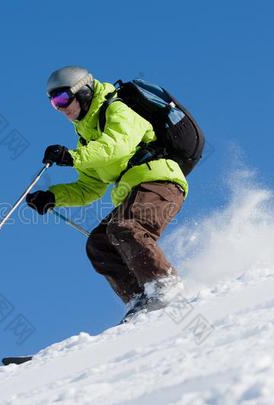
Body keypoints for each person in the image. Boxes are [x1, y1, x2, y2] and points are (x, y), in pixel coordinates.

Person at [26, 66, 189, 321]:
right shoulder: (86, 137)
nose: (61, 107)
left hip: (160, 182)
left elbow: (116, 145)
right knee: (99, 243)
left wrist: (73, 157)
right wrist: (53, 196)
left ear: (83, 91)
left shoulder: (117, 109)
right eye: (54, 103)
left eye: (63, 98)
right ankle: (141, 301)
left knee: (125, 227)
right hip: (135, 190)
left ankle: (163, 287)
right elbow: (89, 187)